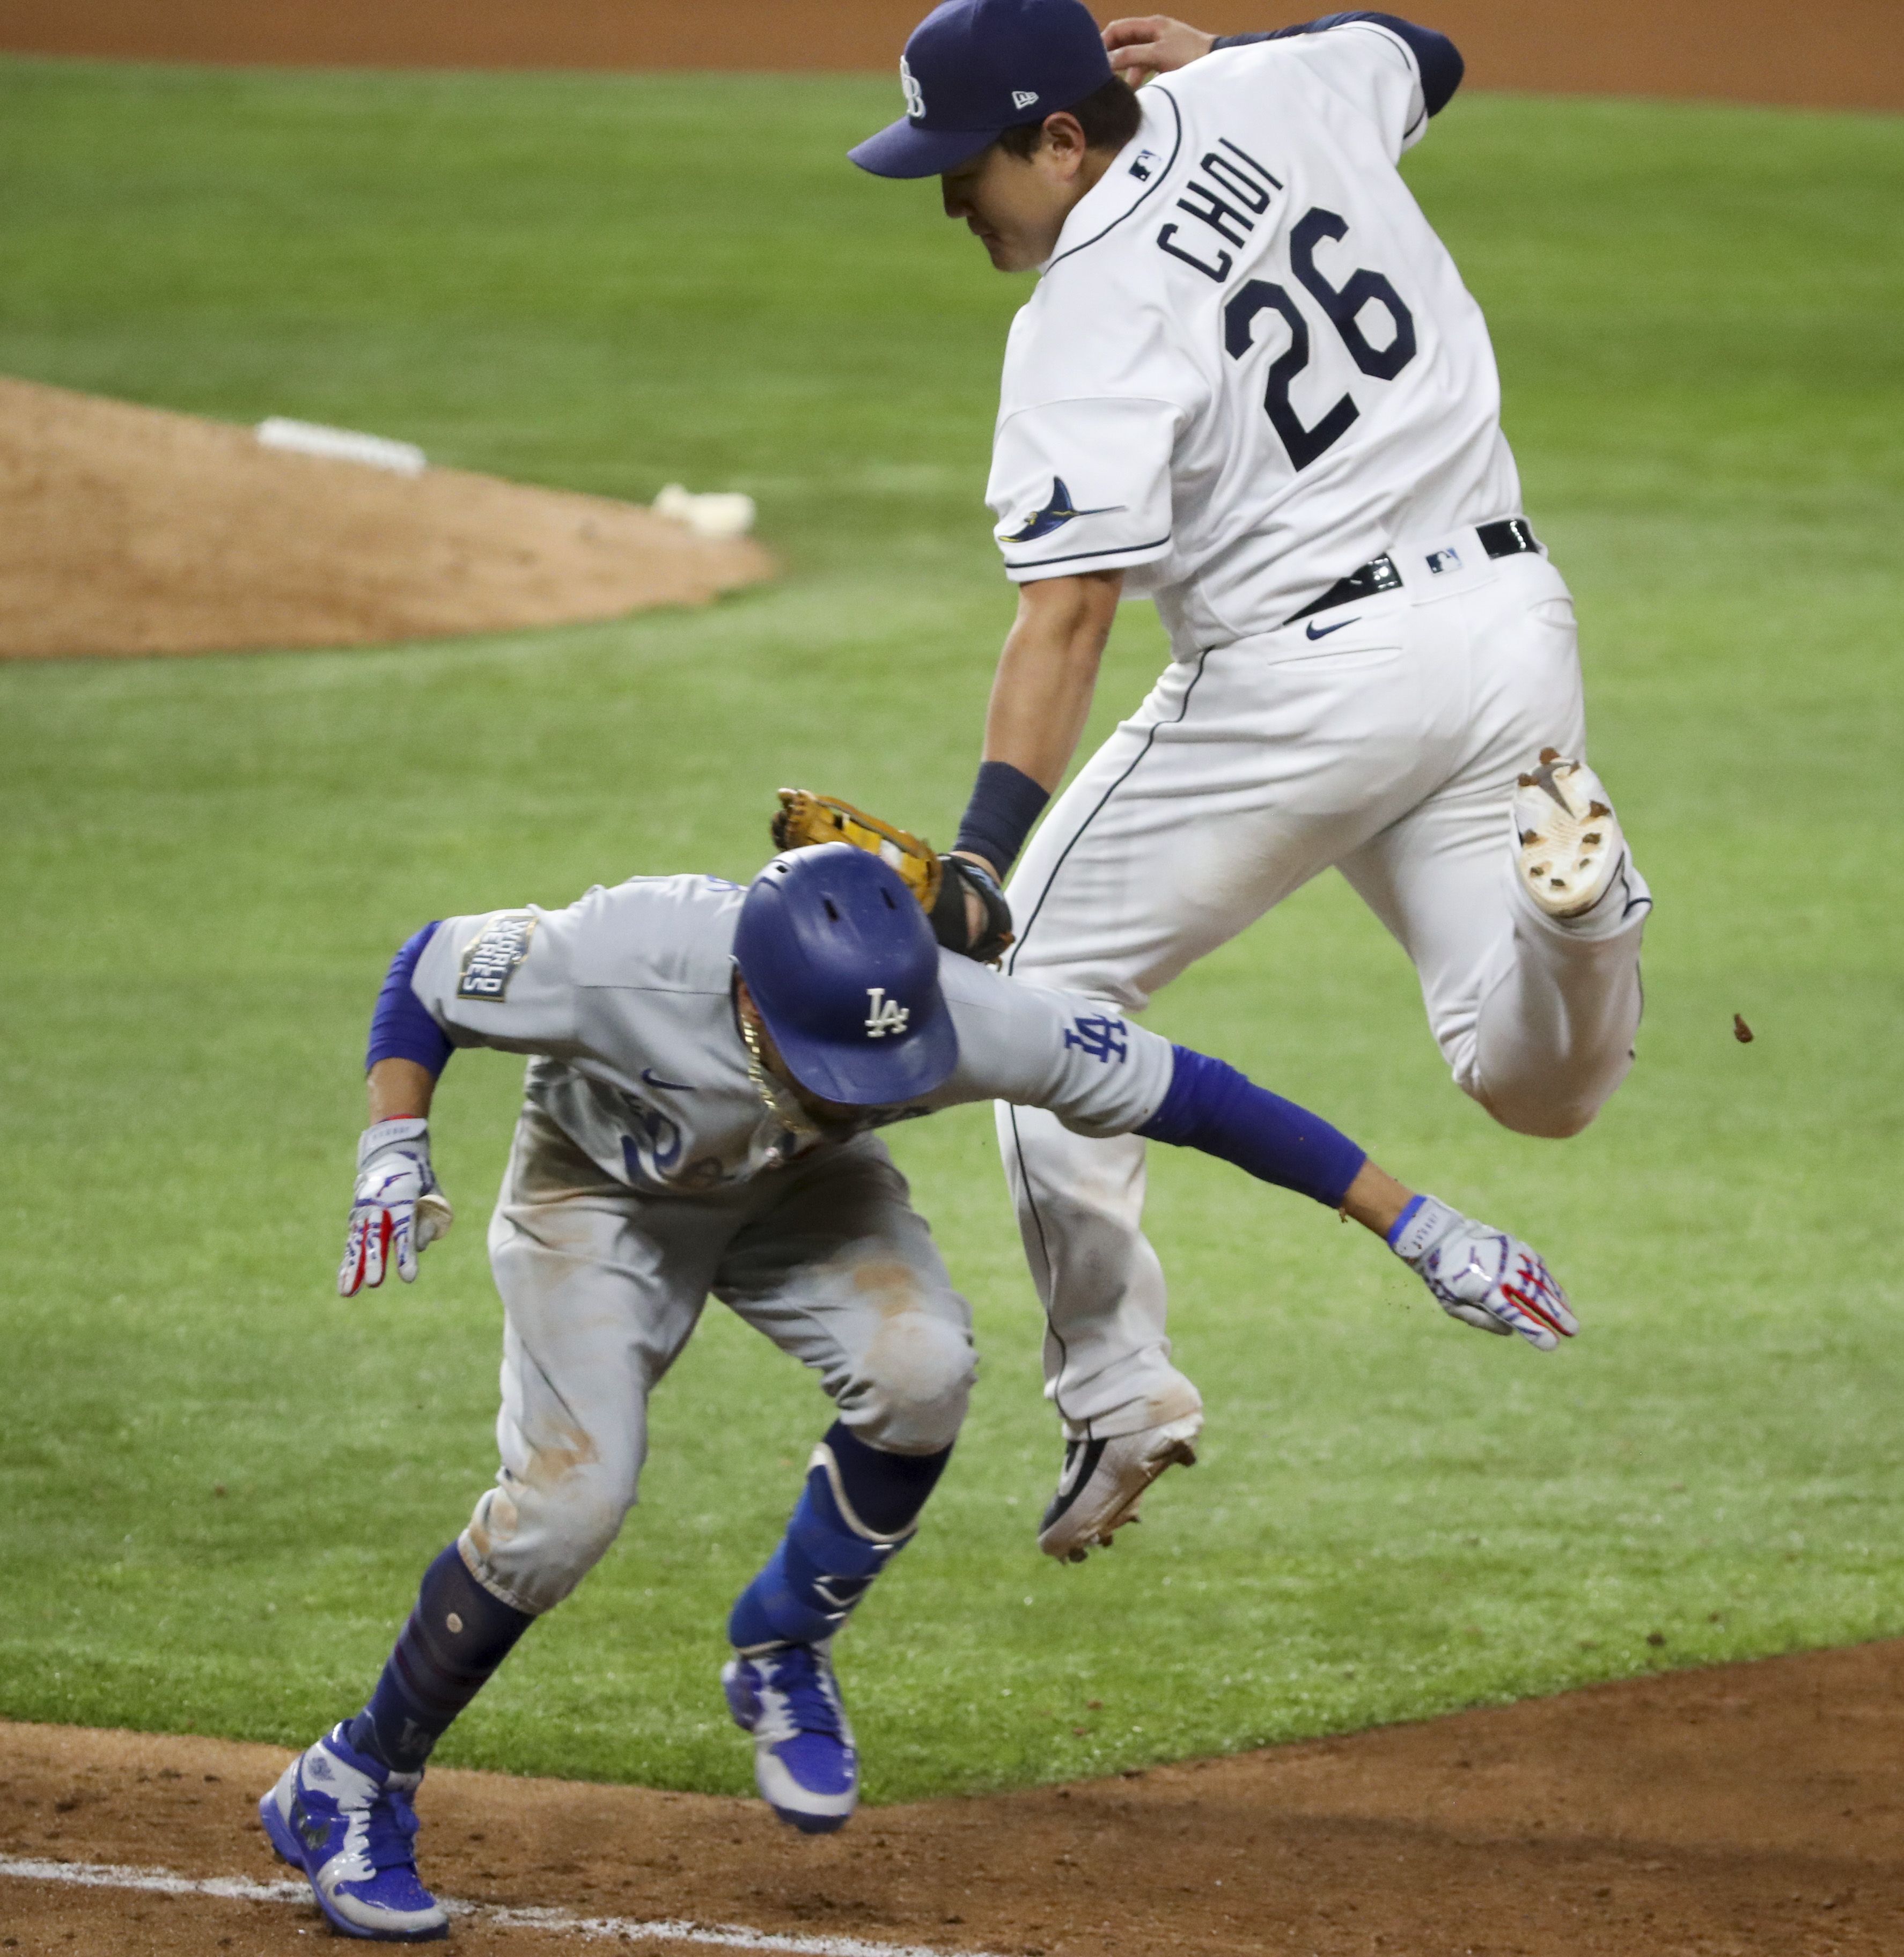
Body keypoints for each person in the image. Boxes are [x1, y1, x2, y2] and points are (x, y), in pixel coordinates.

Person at [258, 843, 1570, 1937]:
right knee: (567, 1505)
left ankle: (782, 1648)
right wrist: (393, 1142)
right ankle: (352, 1777)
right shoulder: (621, 952)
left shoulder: (960, 1015)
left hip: (795, 1196)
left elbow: (1201, 1100)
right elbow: (425, 972)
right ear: (748, 999)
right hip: (598, 1202)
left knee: (924, 1370)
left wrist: (1419, 1228)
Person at [848, 0, 1650, 1558]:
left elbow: (1067, 612)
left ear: (1063, 137)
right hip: (1506, 629)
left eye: (969, 164)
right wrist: (1233, 49)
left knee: (1036, 991)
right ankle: (1587, 912)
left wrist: (982, 857)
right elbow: (1419, 52)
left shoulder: (1082, 314)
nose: (951, 198)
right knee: (1527, 1082)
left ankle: (1119, 1391)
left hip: (1309, 683)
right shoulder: (1275, 88)